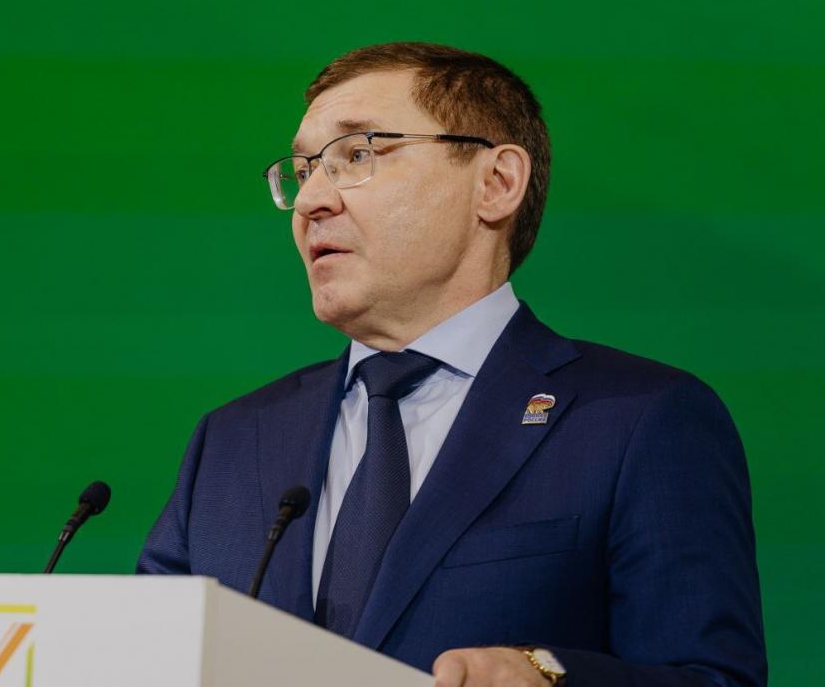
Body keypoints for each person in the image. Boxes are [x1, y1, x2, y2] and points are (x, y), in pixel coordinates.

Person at [137, 42, 766, 687]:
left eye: (357, 154)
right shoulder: (233, 440)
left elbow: (711, 677)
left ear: (497, 183)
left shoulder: (639, 420)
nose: (310, 202)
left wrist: (548, 674)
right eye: (302, 171)